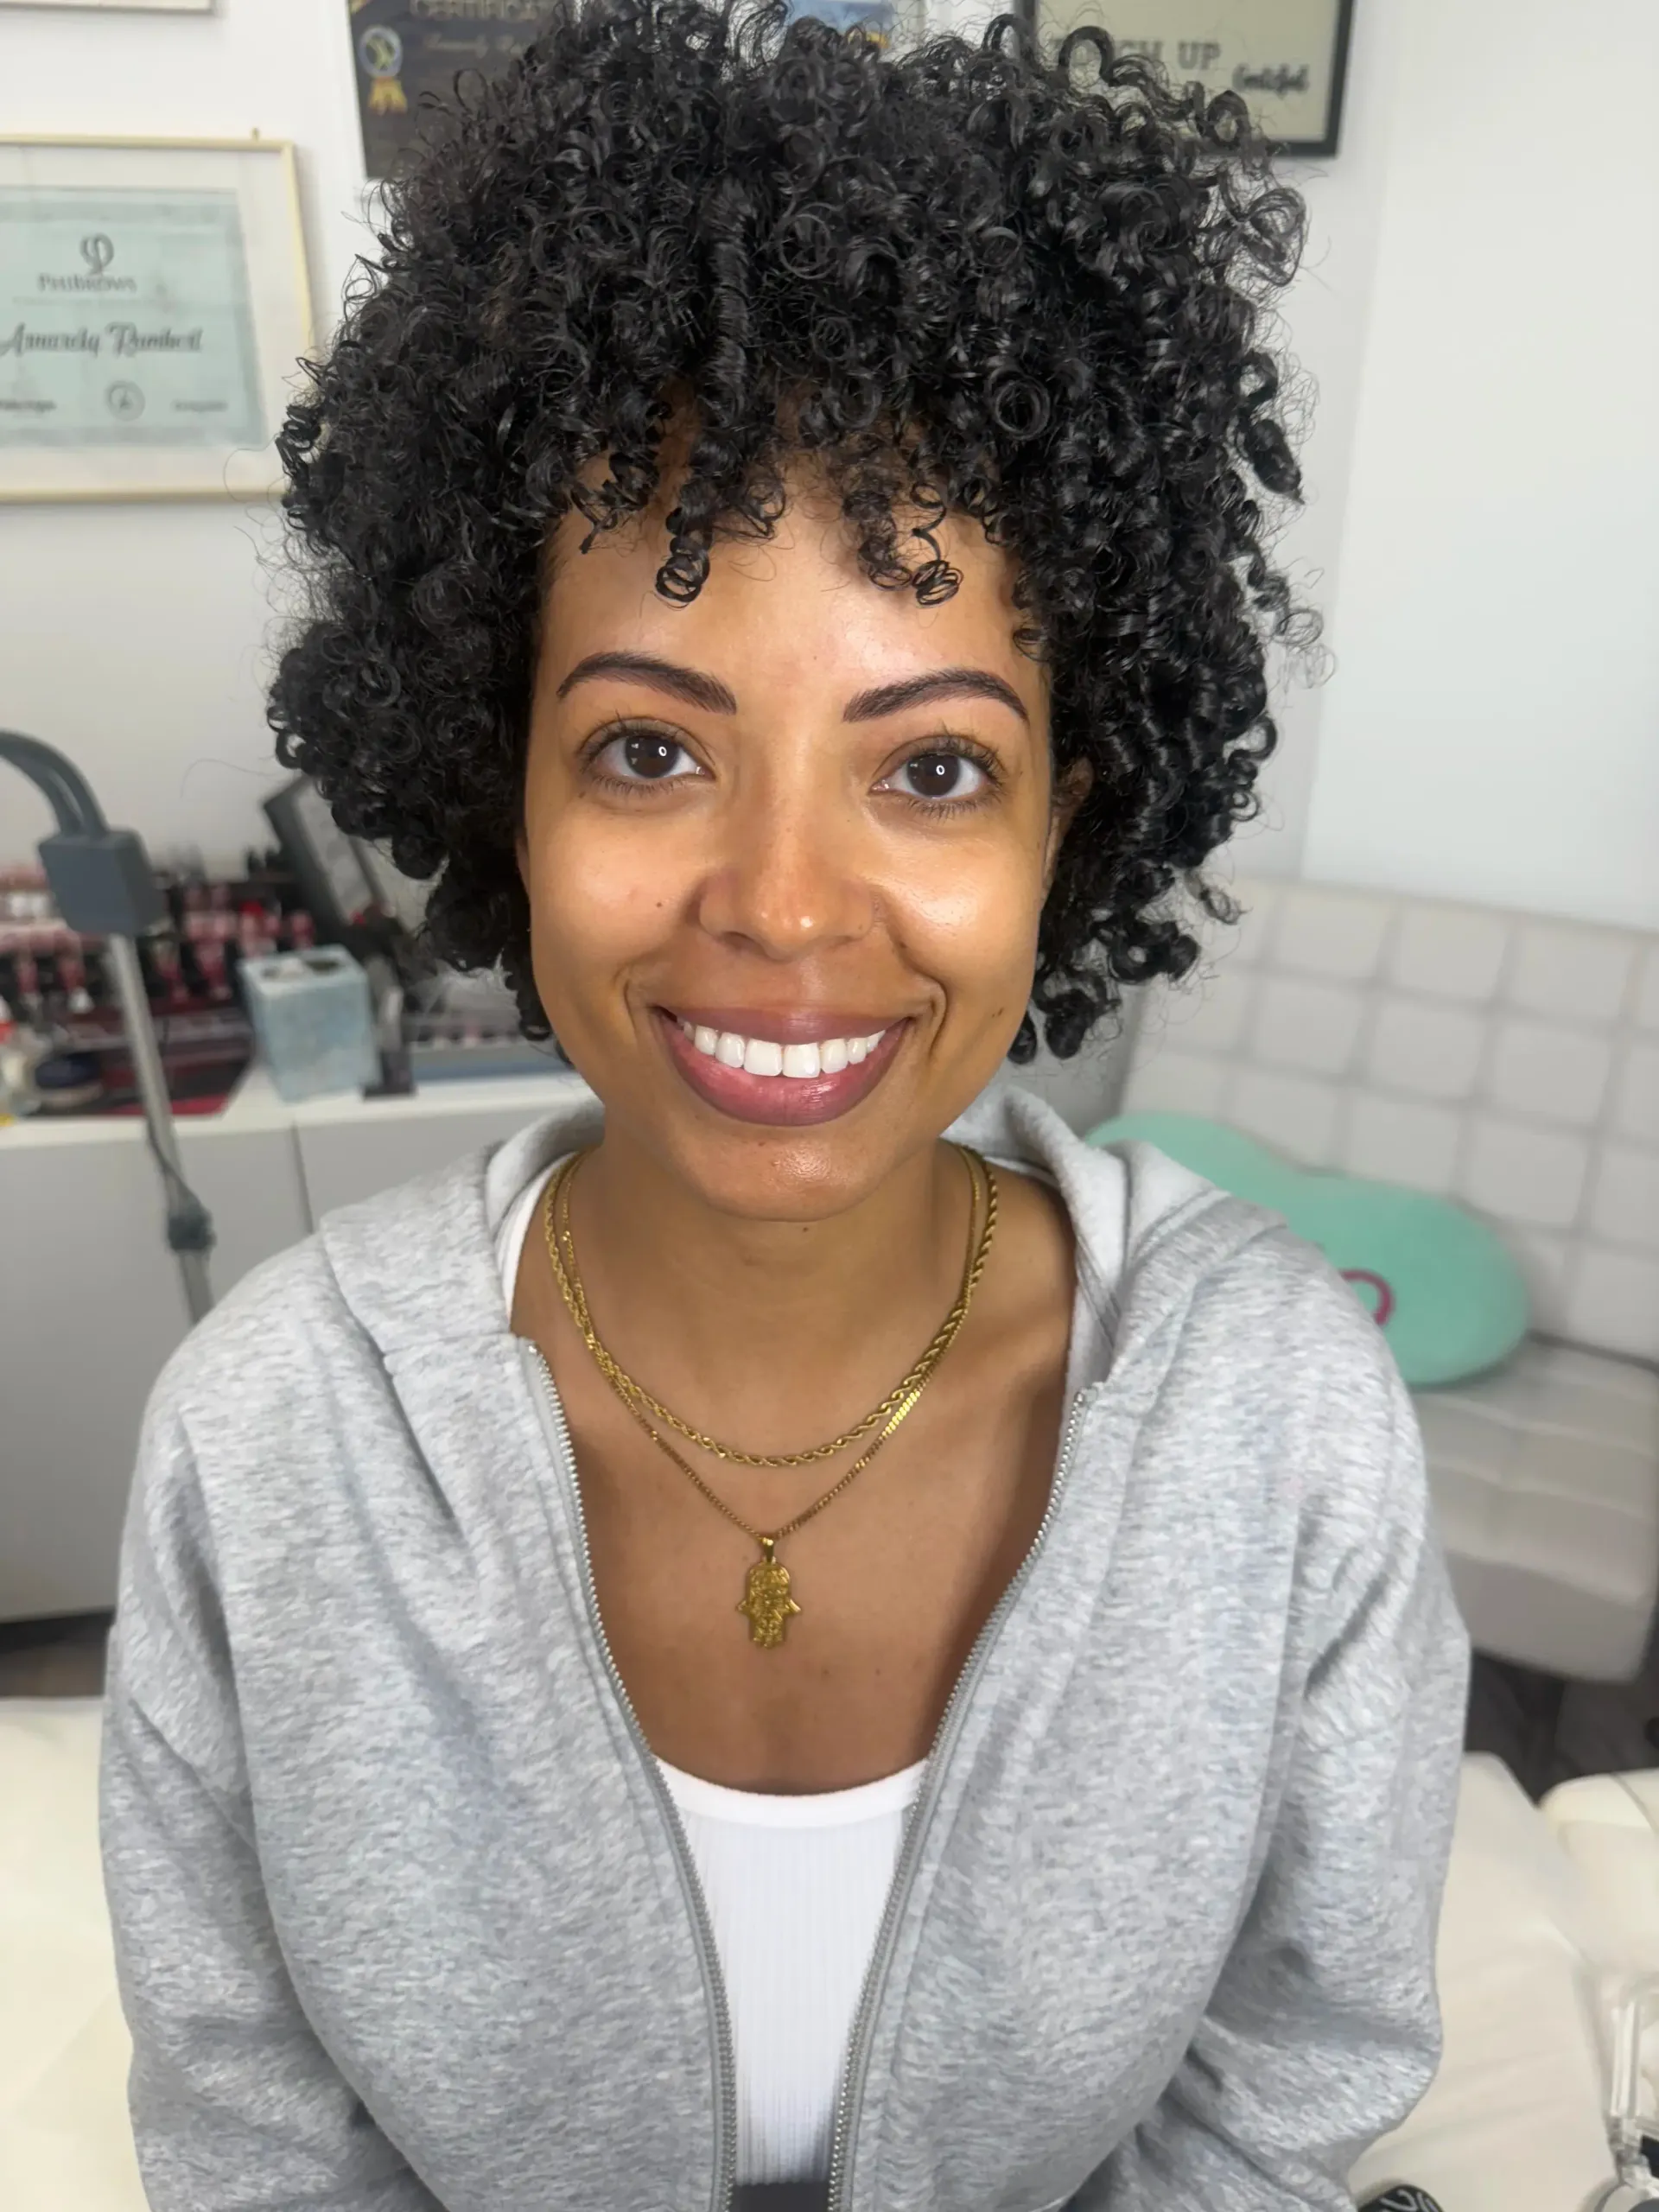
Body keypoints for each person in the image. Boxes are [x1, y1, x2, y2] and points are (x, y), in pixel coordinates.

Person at [98, 3, 1471, 2208]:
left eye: (933, 766)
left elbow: (1295, 2073)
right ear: (503, 781)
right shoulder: (270, 1452)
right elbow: (255, 2139)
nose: (786, 905)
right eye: (650, 744)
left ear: (1066, 822)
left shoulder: (1282, 1428)